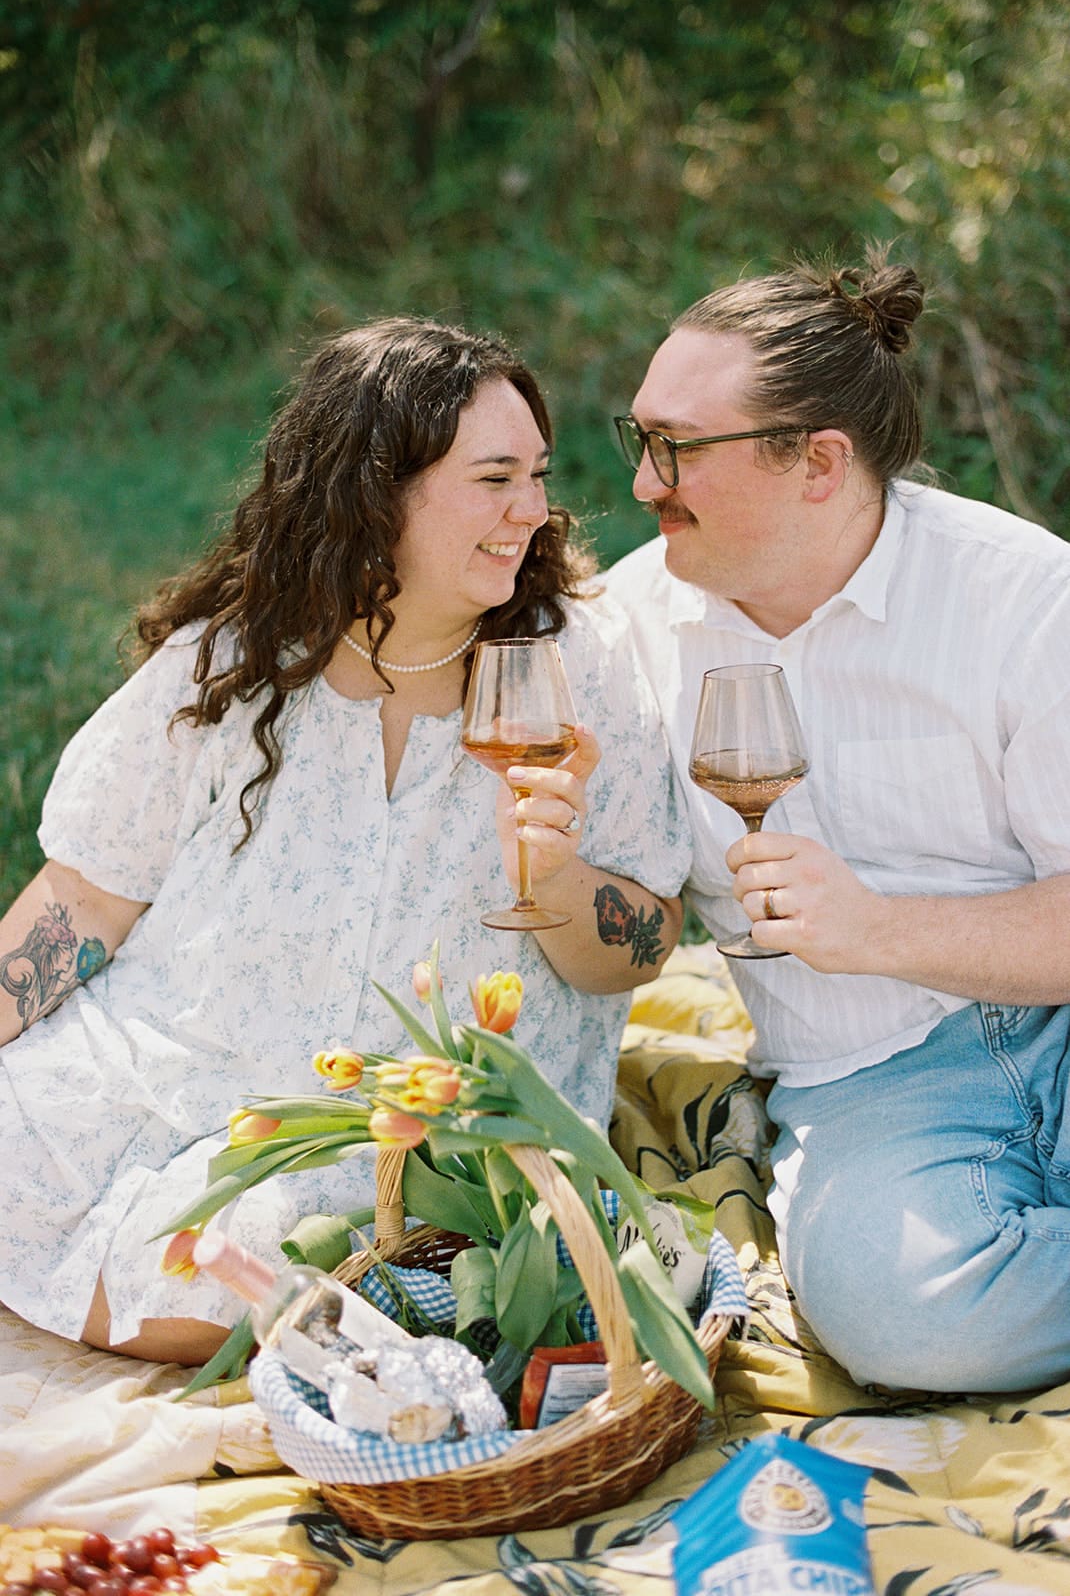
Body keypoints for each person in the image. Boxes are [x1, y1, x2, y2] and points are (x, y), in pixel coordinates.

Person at [0, 316, 688, 1366]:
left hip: (404, 1129)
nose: (531, 512)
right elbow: (85, 902)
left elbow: (640, 950)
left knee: (263, 1280)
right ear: (375, 488)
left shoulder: (573, 664)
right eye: (493, 478)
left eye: (537, 476)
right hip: (181, 1055)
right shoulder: (233, 660)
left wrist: (552, 876)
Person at [603, 245, 1070, 1395]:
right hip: (870, 1074)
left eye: (676, 450)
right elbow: (628, 920)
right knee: (902, 1318)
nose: (641, 484)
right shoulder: (621, 631)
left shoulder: (1022, 599)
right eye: (638, 440)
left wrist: (874, 930)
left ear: (817, 462)